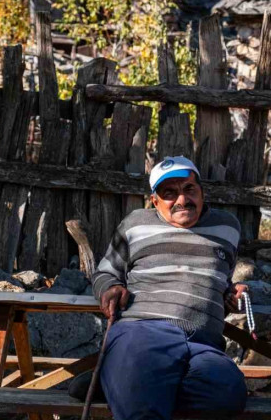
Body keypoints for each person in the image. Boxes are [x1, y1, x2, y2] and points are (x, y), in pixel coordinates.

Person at [89, 156, 248, 420]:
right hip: (143, 330)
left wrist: (233, 291)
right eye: (169, 194)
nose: (182, 200)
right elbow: (105, 272)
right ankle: (127, 381)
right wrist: (110, 287)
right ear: (155, 201)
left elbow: (217, 277)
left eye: (189, 190)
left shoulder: (228, 227)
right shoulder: (135, 223)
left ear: (202, 191)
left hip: (203, 342)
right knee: (142, 406)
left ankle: (119, 380)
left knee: (227, 394)